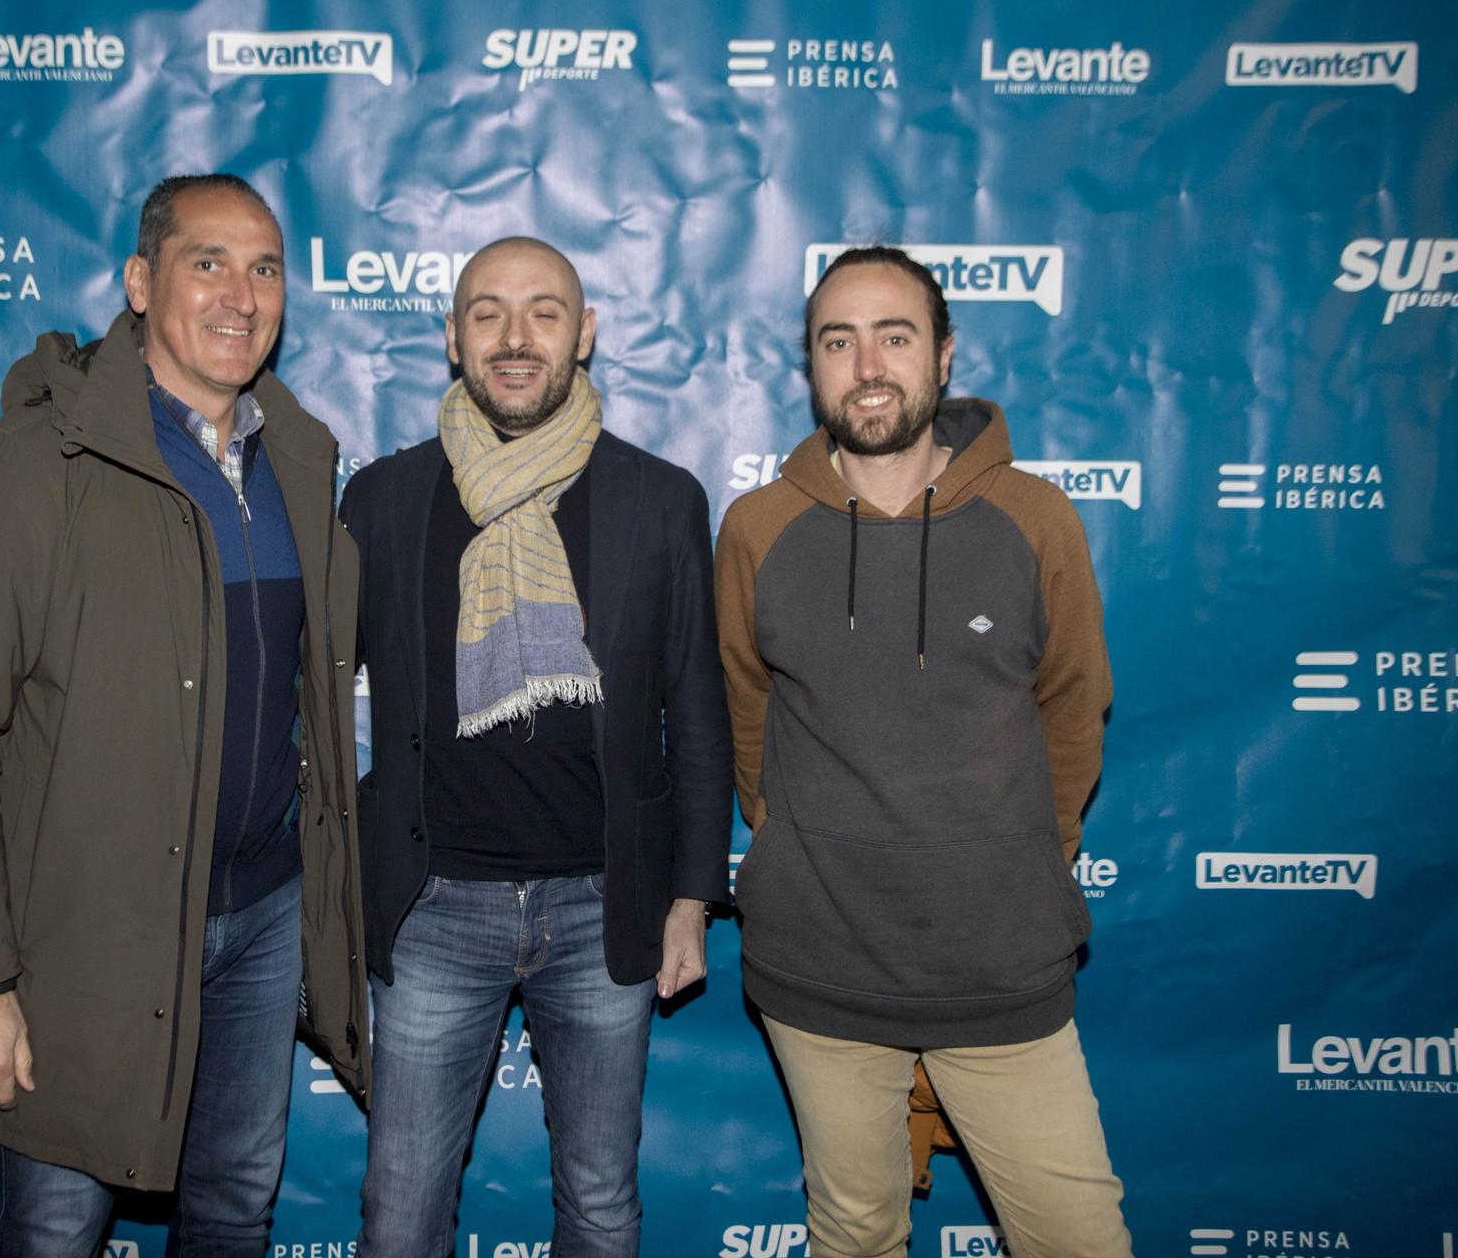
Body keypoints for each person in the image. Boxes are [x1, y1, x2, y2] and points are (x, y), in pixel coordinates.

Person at [0, 173, 367, 1257]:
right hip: (84, 943)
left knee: (234, 1211)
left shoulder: (295, 461)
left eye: (265, 269)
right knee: (55, 1229)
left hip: (261, 922)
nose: (241, 295)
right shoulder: (32, 470)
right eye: (208, 263)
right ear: (140, 282)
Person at [714, 245, 1131, 1258]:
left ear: (942, 357)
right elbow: (748, 720)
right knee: (853, 1234)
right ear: (809, 364)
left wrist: (1019, 855)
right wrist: (806, 854)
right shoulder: (757, 528)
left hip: (1000, 967)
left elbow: (1074, 711)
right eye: (836, 340)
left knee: (1079, 1239)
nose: (866, 364)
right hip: (818, 971)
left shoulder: (1034, 519)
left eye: (893, 336)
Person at [339, 236, 731, 1257]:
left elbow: (694, 709)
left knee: (601, 1205)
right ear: (451, 336)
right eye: (487, 312)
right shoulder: (381, 500)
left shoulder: (660, 498)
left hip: (605, 907)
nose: (516, 338)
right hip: (431, 909)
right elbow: (307, 691)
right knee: (399, 1213)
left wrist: (688, 895)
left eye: (544, 312)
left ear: (584, 332)